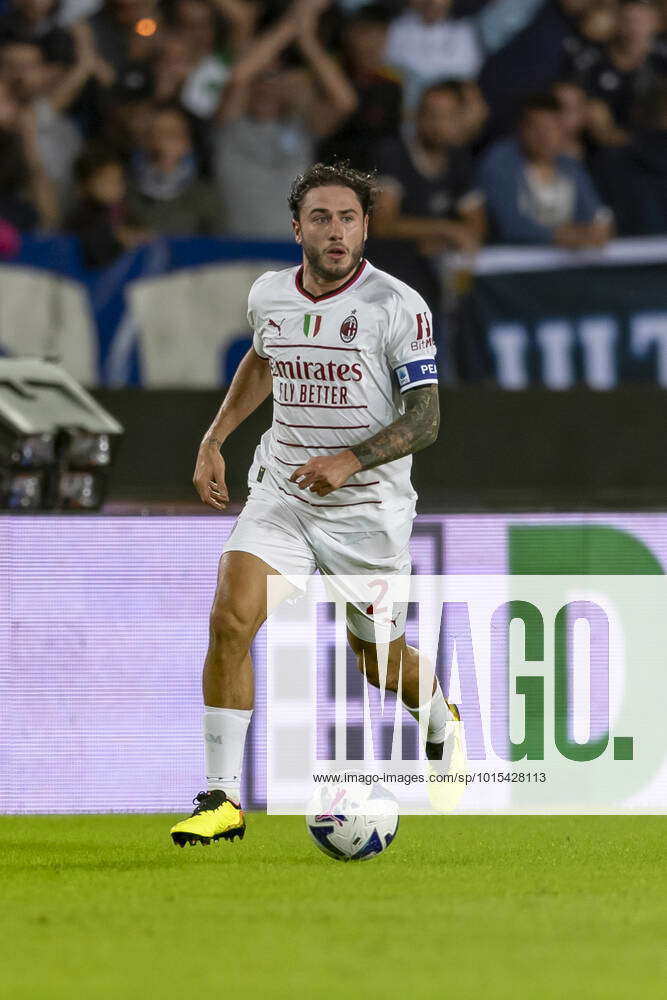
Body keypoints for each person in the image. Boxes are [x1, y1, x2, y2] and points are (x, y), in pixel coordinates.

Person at [169, 161, 460, 846]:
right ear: (297, 226)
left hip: (367, 512)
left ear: (366, 228)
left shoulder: (397, 306)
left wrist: (351, 459)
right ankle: (222, 799)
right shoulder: (270, 293)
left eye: (348, 219)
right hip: (284, 493)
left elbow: (426, 419)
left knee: (379, 664)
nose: (336, 232)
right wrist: (215, 438)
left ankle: (440, 718)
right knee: (230, 619)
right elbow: (263, 359)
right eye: (322, 218)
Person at [213, 0, 358, 238]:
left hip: (289, 250)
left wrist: (308, 43)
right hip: (235, 250)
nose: (267, 86)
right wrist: (291, 26)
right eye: (261, 78)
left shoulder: (301, 128)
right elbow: (239, 77)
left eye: (275, 78)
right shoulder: (228, 126)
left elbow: (345, 102)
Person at [368, 80, 486, 317]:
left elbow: (477, 223)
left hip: (432, 286)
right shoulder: (393, 154)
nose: (437, 124)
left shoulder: (459, 159)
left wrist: (446, 238)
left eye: (447, 116)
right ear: (417, 115)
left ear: (459, 120)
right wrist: (444, 229)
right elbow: (382, 223)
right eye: (430, 114)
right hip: (385, 285)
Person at [479, 93, 613, 247]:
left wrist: (597, 230)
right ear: (520, 129)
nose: (544, 137)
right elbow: (510, 225)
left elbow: (594, 215)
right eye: (536, 128)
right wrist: (563, 236)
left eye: (552, 128)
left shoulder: (570, 165)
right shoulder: (499, 162)